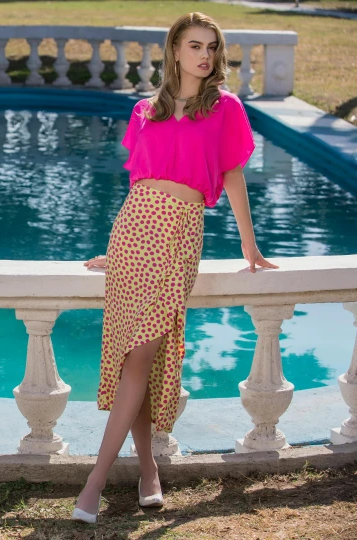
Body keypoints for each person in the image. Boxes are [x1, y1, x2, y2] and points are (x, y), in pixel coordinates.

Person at [73, 12, 279, 523]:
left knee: (143, 354)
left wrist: (250, 248)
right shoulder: (146, 110)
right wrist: (115, 250)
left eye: (211, 47)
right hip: (133, 231)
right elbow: (137, 185)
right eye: (194, 46)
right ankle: (147, 470)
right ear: (175, 51)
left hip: (180, 232)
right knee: (133, 361)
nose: (205, 56)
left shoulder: (225, 107)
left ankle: (94, 482)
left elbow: (232, 176)